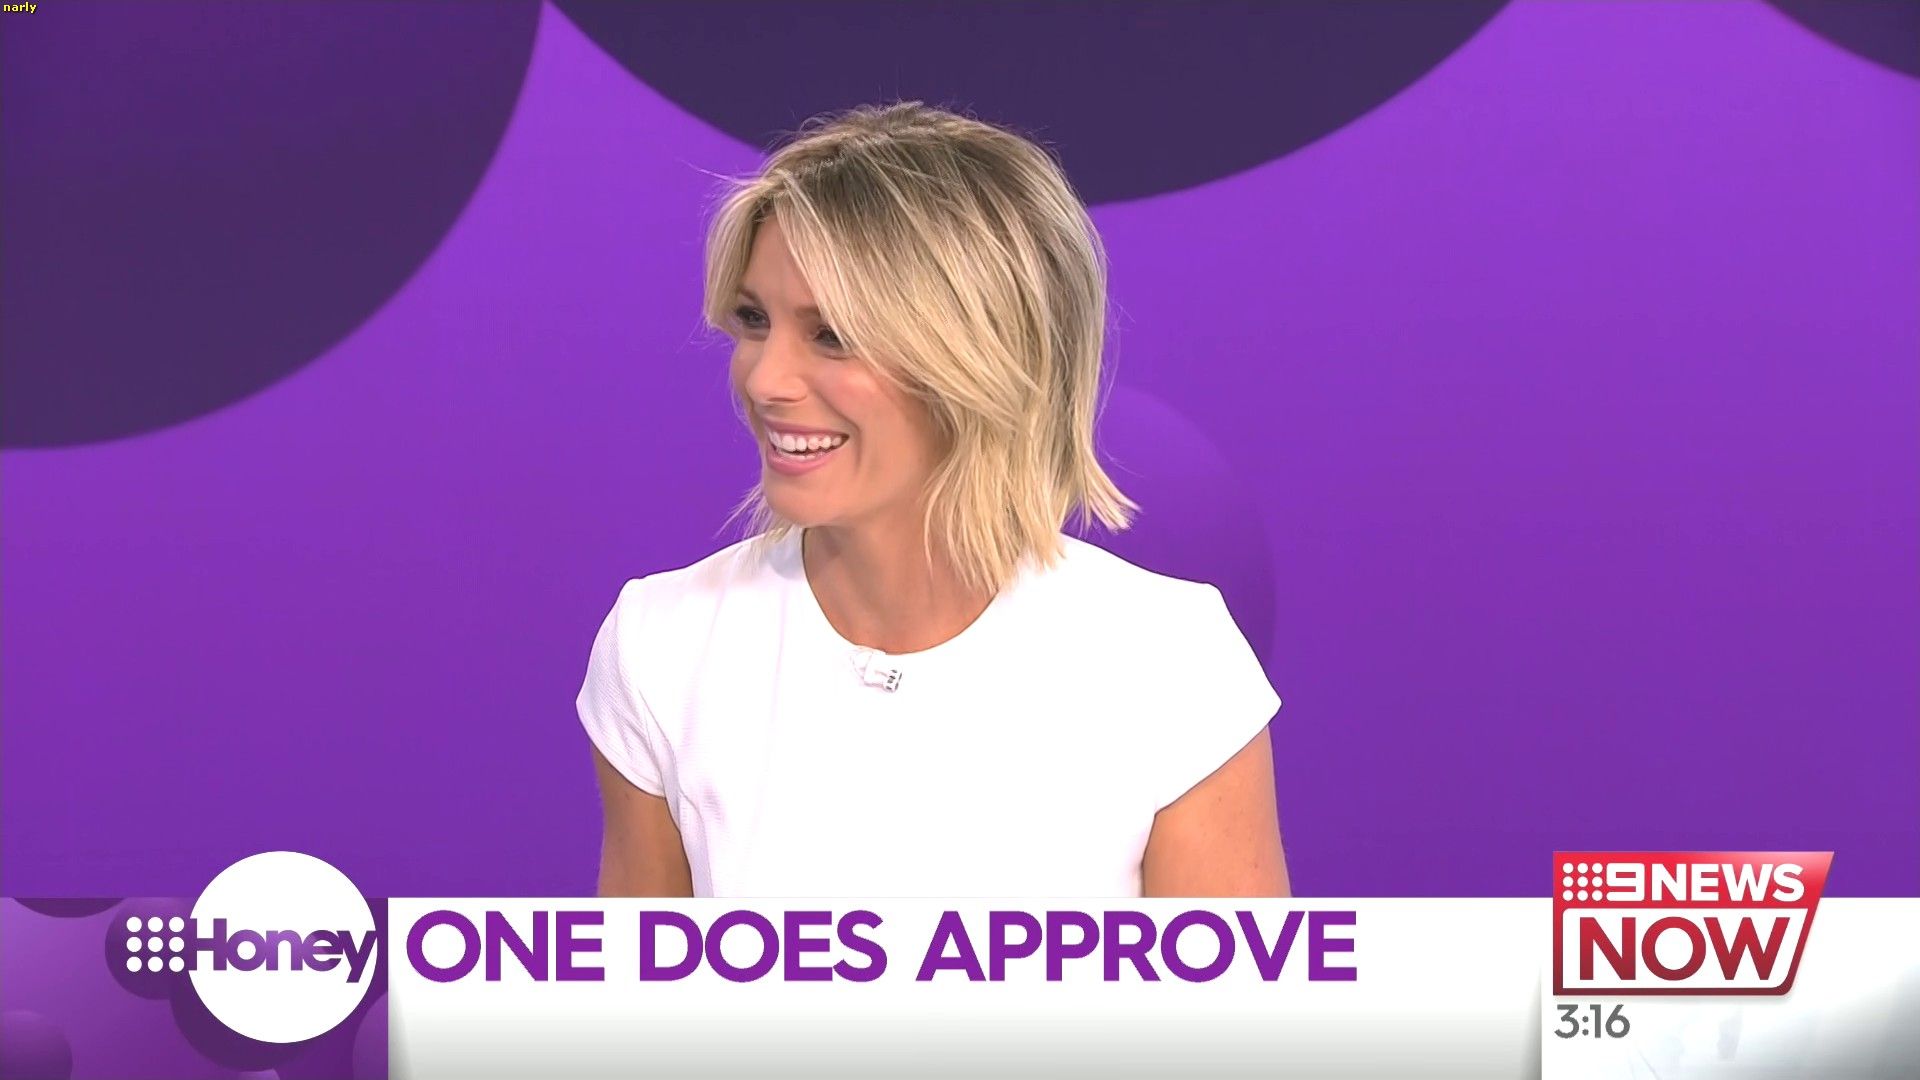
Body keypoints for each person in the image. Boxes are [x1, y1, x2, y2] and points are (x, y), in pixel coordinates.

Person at [577, 101, 1288, 897]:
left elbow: (1228, 984)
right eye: (753, 320)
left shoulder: (1170, 661)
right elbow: (639, 979)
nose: (765, 380)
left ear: (979, 356)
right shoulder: (663, 644)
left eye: (832, 335)